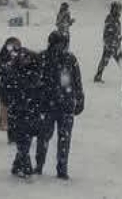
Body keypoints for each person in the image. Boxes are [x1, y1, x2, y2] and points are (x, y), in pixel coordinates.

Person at [36, 31, 84, 179]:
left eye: (63, 43)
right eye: (59, 43)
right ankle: (39, 165)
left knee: (63, 138)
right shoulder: (42, 58)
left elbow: (77, 81)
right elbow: (35, 81)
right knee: (44, 137)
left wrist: (80, 99)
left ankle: (61, 168)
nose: (61, 46)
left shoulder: (69, 59)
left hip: (64, 105)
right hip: (48, 105)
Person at [4, 48, 46, 177]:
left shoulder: (35, 74)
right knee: (23, 141)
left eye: (27, 58)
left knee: (25, 140)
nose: (25, 60)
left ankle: (17, 165)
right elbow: (7, 91)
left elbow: (40, 94)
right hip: (19, 112)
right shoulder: (14, 73)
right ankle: (26, 166)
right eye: (23, 58)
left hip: (30, 112)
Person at [0, 37, 23, 140]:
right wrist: (6, 67)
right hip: (7, 90)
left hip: (18, 90)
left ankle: (16, 134)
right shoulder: (4, 54)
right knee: (8, 114)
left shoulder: (22, 54)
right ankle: (11, 134)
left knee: (17, 114)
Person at [93, 2, 122, 82]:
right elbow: (110, 33)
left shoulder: (115, 18)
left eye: (120, 9)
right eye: (118, 9)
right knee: (119, 60)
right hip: (111, 44)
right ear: (114, 9)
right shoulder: (111, 19)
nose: (120, 11)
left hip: (113, 44)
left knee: (107, 60)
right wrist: (111, 42)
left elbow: (115, 33)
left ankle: (98, 76)